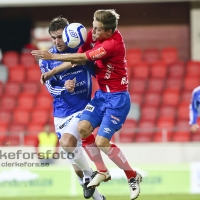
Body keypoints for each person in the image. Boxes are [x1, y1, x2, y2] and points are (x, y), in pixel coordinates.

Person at [31, 10, 142, 200]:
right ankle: (100, 173)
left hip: (115, 98)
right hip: (98, 97)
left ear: (108, 31)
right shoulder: (91, 36)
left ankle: (131, 176)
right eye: (93, 26)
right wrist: (52, 72)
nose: (93, 33)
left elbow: (81, 58)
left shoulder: (111, 44)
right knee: (82, 138)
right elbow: (63, 73)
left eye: (98, 29)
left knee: (100, 142)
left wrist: (54, 60)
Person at [38, 16, 105, 200]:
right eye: (53, 37)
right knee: (78, 170)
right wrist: (63, 87)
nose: (57, 41)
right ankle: (99, 197)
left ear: (68, 34)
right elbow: (50, 86)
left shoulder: (81, 50)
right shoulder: (46, 59)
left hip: (83, 108)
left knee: (67, 143)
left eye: (60, 36)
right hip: (60, 114)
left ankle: (91, 173)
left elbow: (85, 61)